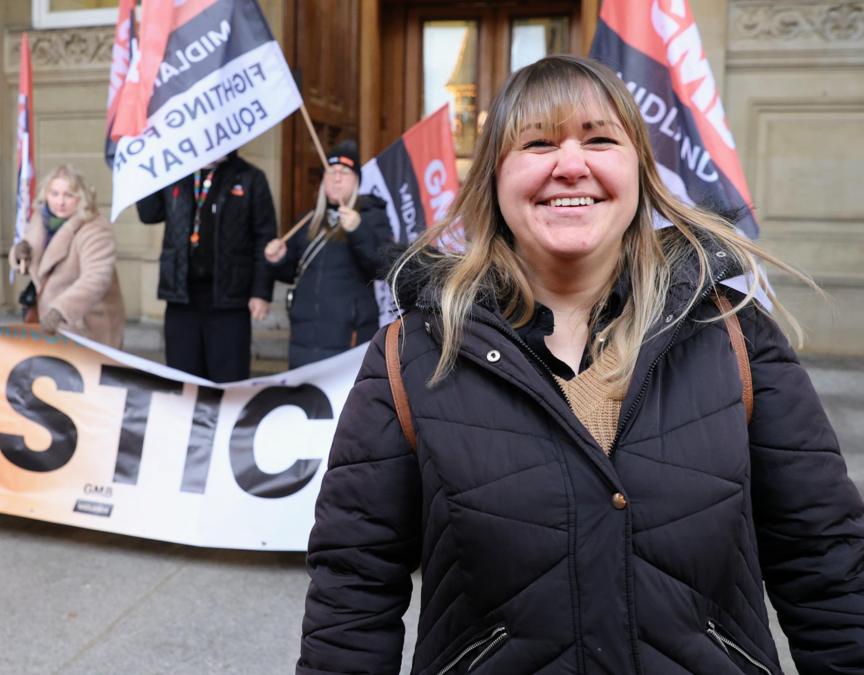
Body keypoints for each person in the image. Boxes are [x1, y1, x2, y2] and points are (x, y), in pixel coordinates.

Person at [299, 55, 864, 674]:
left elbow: (829, 569)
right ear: (494, 177)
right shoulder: (409, 356)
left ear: (640, 172)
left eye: (599, 139)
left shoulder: (733, 334)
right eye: (537, 143)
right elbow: (352, 595)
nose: (571, 166)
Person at [136, 150, 276, 382]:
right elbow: (149, 213)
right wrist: (147, 170)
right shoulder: (175, 173)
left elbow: (265, 237)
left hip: (229, 301)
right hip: (182, 298)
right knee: (183, 381)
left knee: (228, 381)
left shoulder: (250, 177)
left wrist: (261, 292)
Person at [263, 140, 392, 368]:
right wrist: (278, 259)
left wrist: (358, 230)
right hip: (304, 339)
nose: (337, 177)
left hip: (349, 337)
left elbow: (383, 267)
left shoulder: (372, 216)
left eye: (345, 172)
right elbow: (291, 271)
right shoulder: (309, 221)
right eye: (331, 171)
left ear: (357, 181)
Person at [10, 164, 125, 348]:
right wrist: (18, 254)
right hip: (51, 325)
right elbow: (32, 262)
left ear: (82, 198)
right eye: (54, 194)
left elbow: (96, 278)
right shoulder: (41, 220)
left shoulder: (95, 227)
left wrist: (61, 310)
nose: (60, 202)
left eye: (68, 195)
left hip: (87, 327)